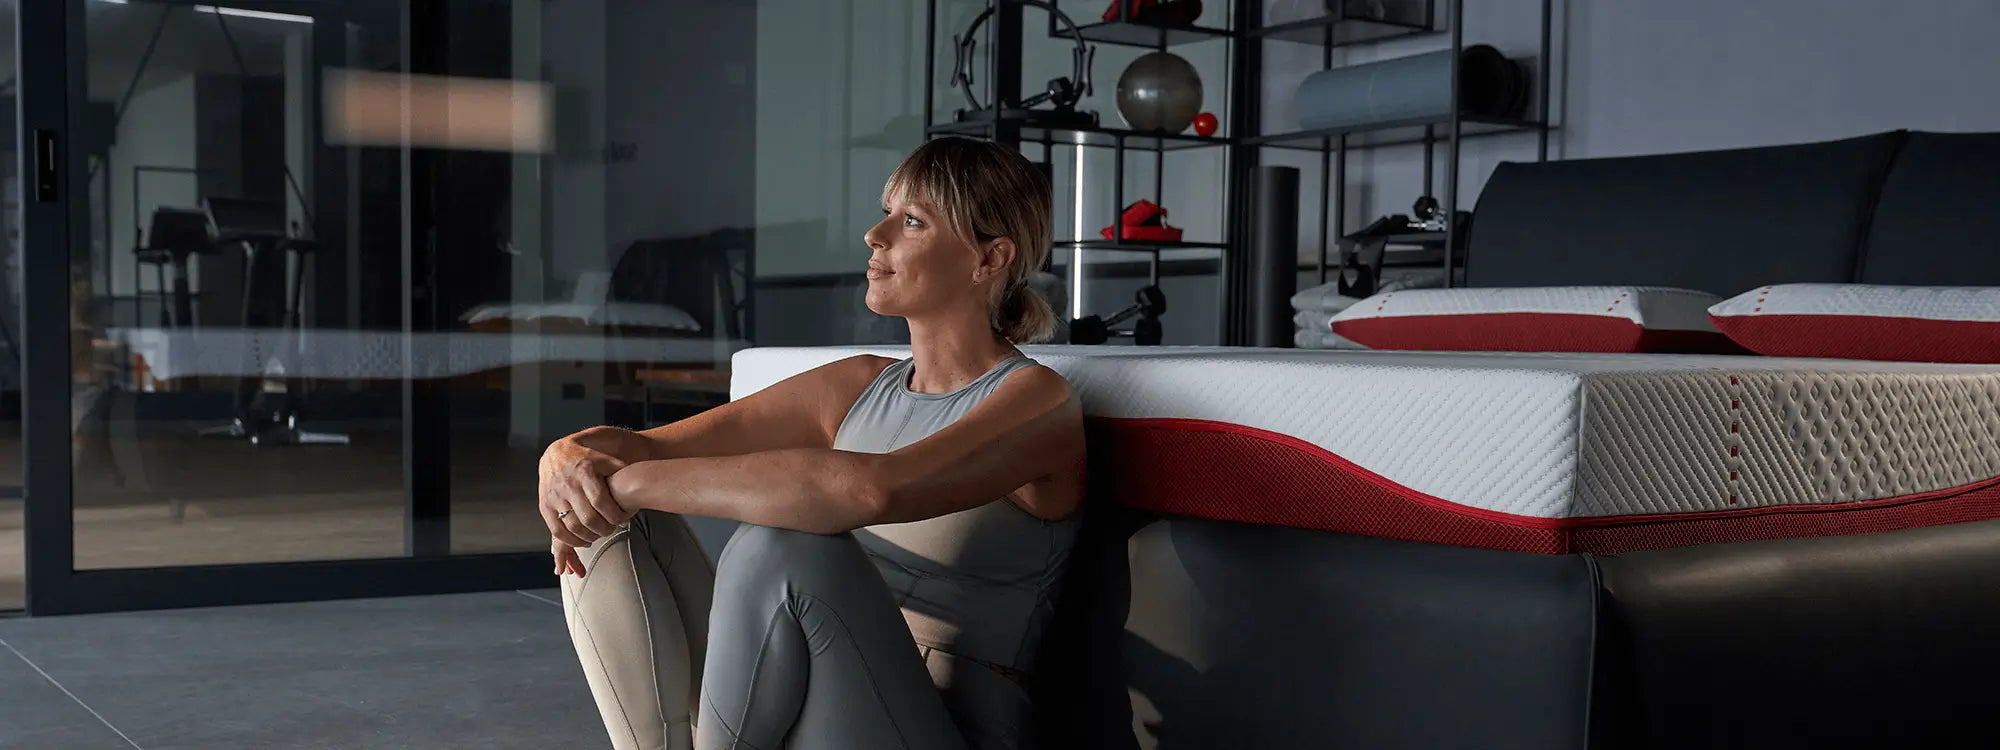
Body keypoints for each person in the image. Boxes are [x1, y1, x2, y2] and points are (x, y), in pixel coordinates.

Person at [538, 136, 1087, 750]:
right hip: (802, 682)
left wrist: (631, 482)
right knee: (600, 514)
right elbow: (631, 447)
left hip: (944, 722)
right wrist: (563, 459)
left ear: (990, 259)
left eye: (911, 221)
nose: (874, 236)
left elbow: (870, 490)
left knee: (782, 547)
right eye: (885, 212)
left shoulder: (1037, 401)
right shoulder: (855, 385)